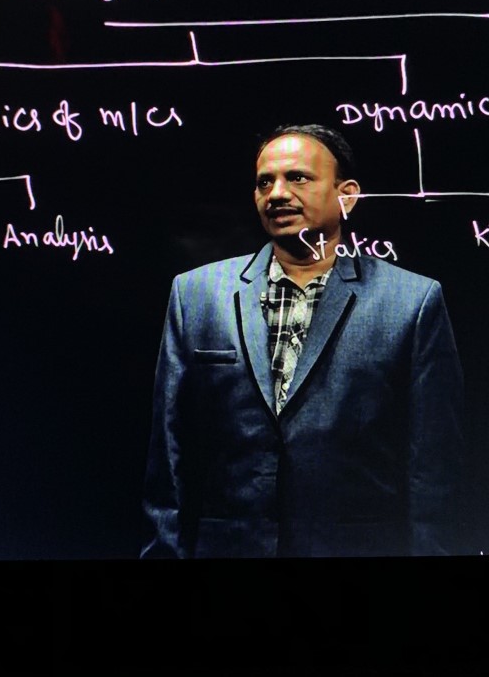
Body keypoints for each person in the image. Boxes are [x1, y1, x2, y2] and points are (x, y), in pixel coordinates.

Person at [141, 123, 464, 558]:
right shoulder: (197, 294)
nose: (276, 193)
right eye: (264, 182)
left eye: (297, 177)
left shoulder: (411, 301)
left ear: (347, 195)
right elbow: (169, 453)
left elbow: (432, 467)